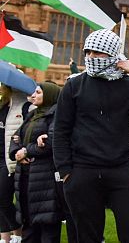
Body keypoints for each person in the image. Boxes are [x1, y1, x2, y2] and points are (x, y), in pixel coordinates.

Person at [53, 29, 129, 243]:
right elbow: (61, 130)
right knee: (87, 235)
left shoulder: (128, 83)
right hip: (83, 170)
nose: (92, 57)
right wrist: (66, 171)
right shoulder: (74, 85)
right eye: (89, 52)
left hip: (122, 168)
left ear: (113, 54)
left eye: (99, 53)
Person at [8, 82, 64, 243]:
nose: (33, 95)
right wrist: (16, 152)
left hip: (44, 177)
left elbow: (51, 142)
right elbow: (16, 137)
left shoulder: (55, 115)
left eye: (38, 93)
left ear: (49, 95)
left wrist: (27, 150)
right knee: (29, 223)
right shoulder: (33, 114)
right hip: (26, 176)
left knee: (47, 225)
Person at [0, 84, 26, 243]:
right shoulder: (2, 105)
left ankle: (19, 231)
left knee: (2, 197)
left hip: (9, 160)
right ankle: (6, 237)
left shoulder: (23, 106)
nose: (0, 87)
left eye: (3, 85)